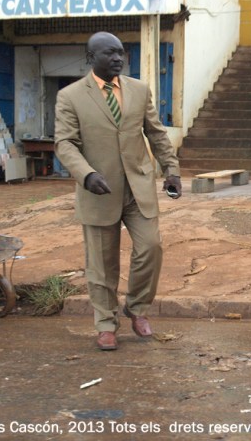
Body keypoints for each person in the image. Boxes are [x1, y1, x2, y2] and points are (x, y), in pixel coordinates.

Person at [54, 31, 181, 351]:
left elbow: (156, 133)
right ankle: (106, 324)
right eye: (109, 53)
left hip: (138, 188)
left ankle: (136, 308)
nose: (117, 58)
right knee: (101, 263)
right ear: (90, 58)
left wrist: (171, 170)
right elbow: (65, 143)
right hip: (99, 189)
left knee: (151, 247)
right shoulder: (70, 96)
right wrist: (86, 174)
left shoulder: (138, 90)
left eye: (121, 52)